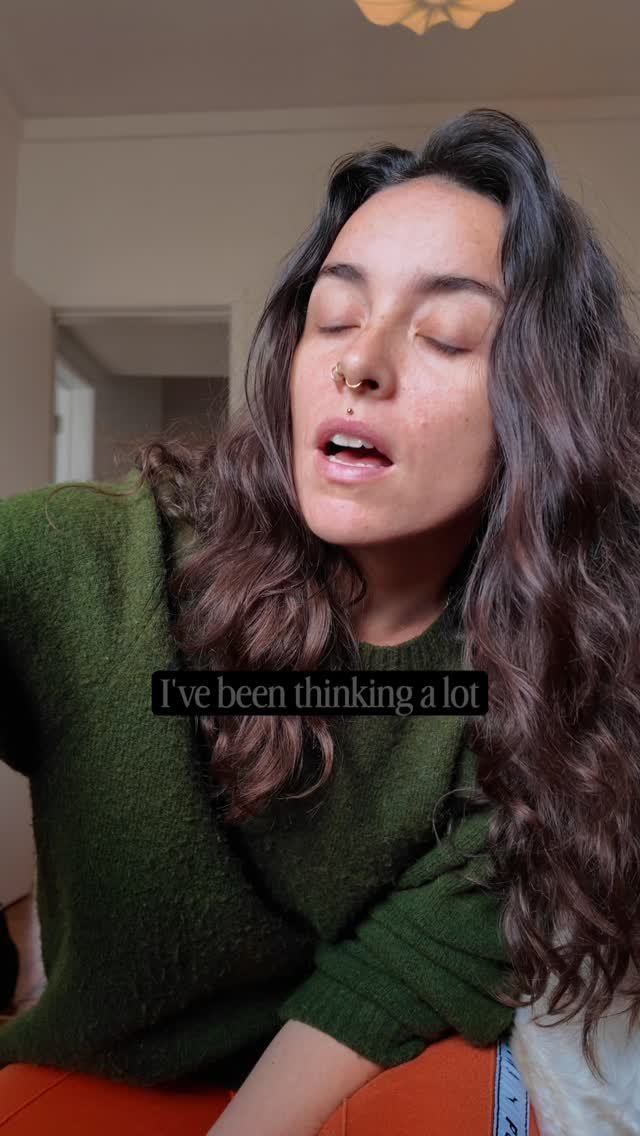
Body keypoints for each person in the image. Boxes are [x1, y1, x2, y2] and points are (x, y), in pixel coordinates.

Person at [0, 105, 638, 1135]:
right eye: (334, 318)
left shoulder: (551, 685)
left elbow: (401, 970)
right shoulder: (100, 562)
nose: (358, 363)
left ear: (544, 408)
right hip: (93, 1071)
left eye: (445, 335)